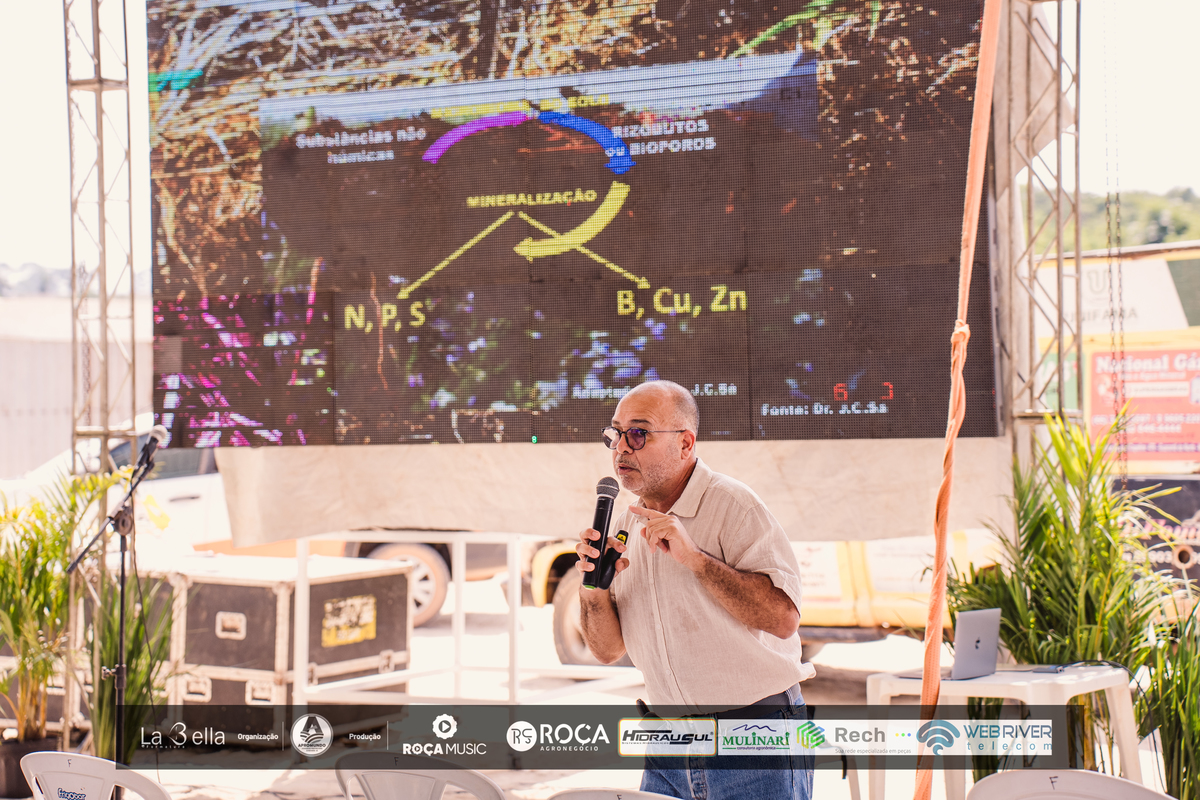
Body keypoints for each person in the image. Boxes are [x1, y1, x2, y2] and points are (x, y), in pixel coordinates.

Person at [575, 379, 813, 800]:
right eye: (616, 433)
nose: (621, 448)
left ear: (685, 443)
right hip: (667, 744)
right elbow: (607, 651)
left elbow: (782, 619)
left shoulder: (734, 506)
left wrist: (696, 560)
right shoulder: (625, 523)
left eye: (638, 433)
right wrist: (594, 590)